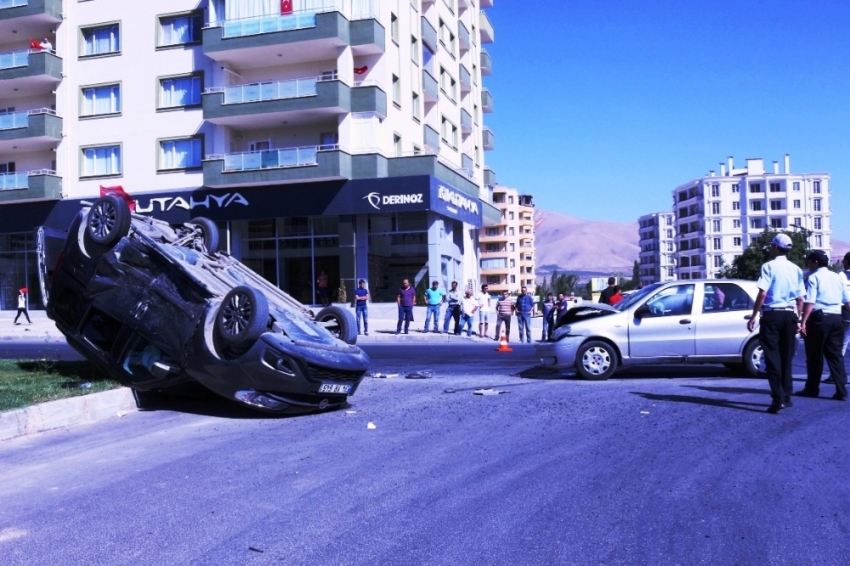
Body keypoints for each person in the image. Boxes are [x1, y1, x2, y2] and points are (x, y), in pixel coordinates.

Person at [747, 233, 805, 414]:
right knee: (786, 356)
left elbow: (762, 293)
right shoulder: (796, 269)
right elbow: (801, 298)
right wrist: (800, 319)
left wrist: (754, 314)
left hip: (772, 315)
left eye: (772, 246)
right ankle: (787, 397)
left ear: (775, 248)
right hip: (789, 315)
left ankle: (777, 398)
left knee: (772, 358)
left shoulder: (768, 267)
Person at [796, 250, 850, 401]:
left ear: (815, 262)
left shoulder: (813, 277)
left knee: (814, 355)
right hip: (836, 318)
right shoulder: (838, 277)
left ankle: (812, 388)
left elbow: (810, 301)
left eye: (809, 261)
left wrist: (803, 321)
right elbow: (847, 301)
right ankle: (841, 390)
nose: (808, 264)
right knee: (835, 356)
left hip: (819, 319)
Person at [824, 251, 850, 384]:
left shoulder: (840, 275)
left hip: (845, 312)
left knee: (840, 346)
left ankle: (836, 375)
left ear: (845, 262)